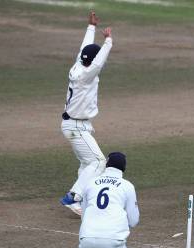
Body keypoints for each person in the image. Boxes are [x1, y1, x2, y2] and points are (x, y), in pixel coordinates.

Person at [59, 11, 113, 216]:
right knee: (99, 161)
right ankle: (73, 196)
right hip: (75, 126)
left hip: (78, 124)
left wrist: (91, 27)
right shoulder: (87, 76)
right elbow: (98, 62)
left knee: (86, 162)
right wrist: (108, 42)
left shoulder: (79, 64)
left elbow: (85, 49)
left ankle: (80, 201)